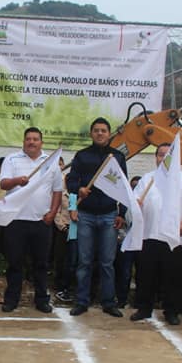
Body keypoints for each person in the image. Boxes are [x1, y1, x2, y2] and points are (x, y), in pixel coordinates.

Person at [130, 142, 182, 325]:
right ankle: (144, 308)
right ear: (156, 158)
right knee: (146, 275)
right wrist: (136, 206)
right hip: (149, 235)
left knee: (173, 277)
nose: (163, 158)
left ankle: (171, 311)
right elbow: (136, 201)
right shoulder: (148, 179)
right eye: (160, 155)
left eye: (167, 155)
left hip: (173, 238)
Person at [65, 118, 129, 317]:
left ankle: (108, 302)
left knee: (107, 262)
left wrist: (121, 213)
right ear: (91, 133)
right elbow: (71, 180)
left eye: (103, 130)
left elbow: (124, 188)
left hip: (109, 215)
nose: (100, 133)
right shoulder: (82, 156)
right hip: (86, 215)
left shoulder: (117, 157)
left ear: (109, 134)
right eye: (96, 130)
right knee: (84, 261)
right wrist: (79, 189)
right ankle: (82, 301)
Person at [0, 127, 62, 313]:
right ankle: (11, 299)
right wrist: (17, 180)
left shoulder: (51, 162)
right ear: (23, 141)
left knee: (41, 264)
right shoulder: (12, 159)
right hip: (16, 221)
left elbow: (57, 190)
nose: (32, 142)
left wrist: (52, 213)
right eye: (28, 139)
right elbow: (3, 184)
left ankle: (42, 300)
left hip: (41, 222)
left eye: (35, 139)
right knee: (14, 263)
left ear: (41, 142)